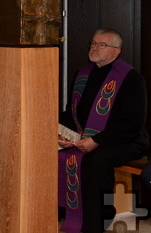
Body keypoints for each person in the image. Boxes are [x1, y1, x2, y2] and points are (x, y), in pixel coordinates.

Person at [58, 28, 149, 233]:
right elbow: (71, 113)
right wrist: (63, 135)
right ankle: (68, 215)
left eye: (102, 45)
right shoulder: (82, 74)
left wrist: (97, 140)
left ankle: (95, 223)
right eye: (93, 43)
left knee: (95, 161)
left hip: (127, 139)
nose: (95, 48)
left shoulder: (132, 78)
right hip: (89, 137)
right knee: (59, 155)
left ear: (116, 51)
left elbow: (133, 123)